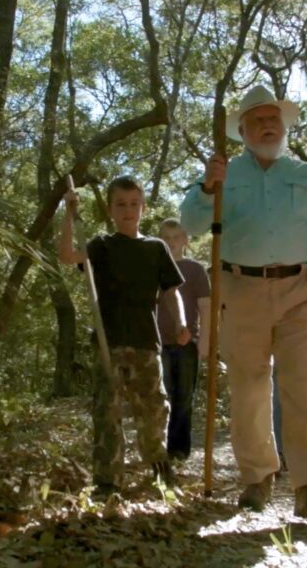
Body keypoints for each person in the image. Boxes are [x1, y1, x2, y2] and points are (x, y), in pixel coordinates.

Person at [180, 85, 307, 518]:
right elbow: (191, 224)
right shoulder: (225, 172)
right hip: (240, 289)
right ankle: (257, 478)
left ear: (284, 124)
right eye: (256, 119)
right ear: (242, 129)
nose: (267, 125)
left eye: (273, 118)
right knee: (250, 386)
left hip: (298, 290)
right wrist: (206, 186)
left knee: (301, 386)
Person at [59, 175, 191, 497]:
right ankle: (107, 482)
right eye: (121, 204)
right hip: (110, 344)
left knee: (154, 411)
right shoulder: (102, 245)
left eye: (134, 204)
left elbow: (171, 292)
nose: (128, 210)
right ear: (111, 209)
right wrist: (68, 212)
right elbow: (67, 255)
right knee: (107, 413)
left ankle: (160, 471)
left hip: (147, 344)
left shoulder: (156, 248)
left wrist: (181, 323)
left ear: (143, 208)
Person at [155, 218, 210, 461]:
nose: (172, 242)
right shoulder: (154, 267)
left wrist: (206, 341)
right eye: (166, 238)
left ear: (185, 240)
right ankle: (161, 448)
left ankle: (179, 450)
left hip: (188, 343)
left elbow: (206, 307)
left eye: (176, 237)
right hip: (159, 342)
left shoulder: (195, 269)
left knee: (184, 397)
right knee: (162, 395)